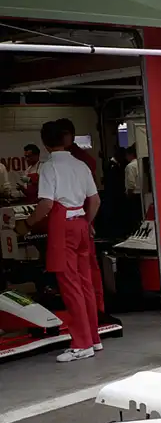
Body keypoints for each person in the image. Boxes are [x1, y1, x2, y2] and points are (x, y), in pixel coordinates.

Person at [16, 121, 101, 363]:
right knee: (86, 285)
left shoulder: (49, 168)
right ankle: (94, 338)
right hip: (82, 223)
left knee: (70, 287)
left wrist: (27, 224)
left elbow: (46, 205)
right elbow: (94, 201)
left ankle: (81, 344)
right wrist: (88, 222)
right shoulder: (80, 164)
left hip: (63, 227)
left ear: (44, 143)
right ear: (66, 140)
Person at [57, 118, 105, 313]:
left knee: (83, 272)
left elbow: (92, 197)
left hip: (78, 220)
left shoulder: (81, 161)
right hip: (80, 220)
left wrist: (87, 221)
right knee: (82, 271)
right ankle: (91, 311)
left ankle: (95, 310)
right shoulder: (75, 160)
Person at [124, 144, 144, 230]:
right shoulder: (140, 164)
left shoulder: (130, 166)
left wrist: (128, 195)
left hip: (134, 195)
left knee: (134, 217)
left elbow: (131, 184)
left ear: (130, 154)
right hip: (142, 194)